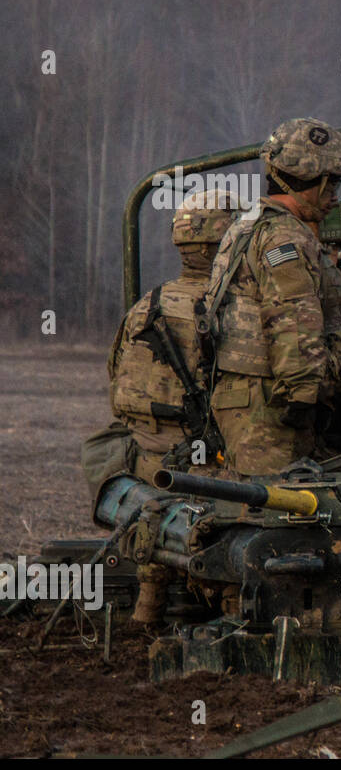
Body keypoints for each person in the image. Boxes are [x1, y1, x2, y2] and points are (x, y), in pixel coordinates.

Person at [97, 188, 240, 623]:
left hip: (147, 451)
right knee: (230, 530)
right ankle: (233, 616)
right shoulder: (229, 308)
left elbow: (116, 373)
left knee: (153, 523)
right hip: (202, 456)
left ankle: (147, 612)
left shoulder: (146, 305)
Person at [201, 118, 341, 476]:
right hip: (271, 404)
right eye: (332, 184)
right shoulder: (284, 235)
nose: (336, 197)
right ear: (313, 182)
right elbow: (292, 321)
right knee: (277, 509)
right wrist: (303, 396)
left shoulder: (249, 221)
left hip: (251, 397)